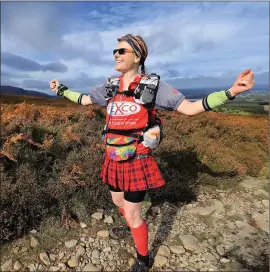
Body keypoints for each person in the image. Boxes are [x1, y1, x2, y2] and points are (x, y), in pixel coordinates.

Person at [50, 34, 255, 272]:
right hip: (113, 157)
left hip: (137, 159)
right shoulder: (110, 86)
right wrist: (61, 89)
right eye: (114, 52)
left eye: (122, 51)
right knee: (118, 201)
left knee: (134, 212)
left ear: (137, 56)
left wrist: (230, 92)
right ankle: (129, 224)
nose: (116, 55)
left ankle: (143, 259)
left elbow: (189, 108)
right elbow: (85, 100)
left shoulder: (154, 86)